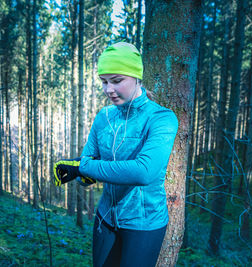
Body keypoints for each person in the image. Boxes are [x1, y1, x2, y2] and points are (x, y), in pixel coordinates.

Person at [53, 42, 178, 267]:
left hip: (144, 223)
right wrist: (82, 174)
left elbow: (144, 172)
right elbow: (86, 169)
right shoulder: (104, 117)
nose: (108, 89)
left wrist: (83, 167)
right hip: (105, 219)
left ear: (137, 77)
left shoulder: (161, 118)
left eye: (117, 80)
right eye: (104, 81)